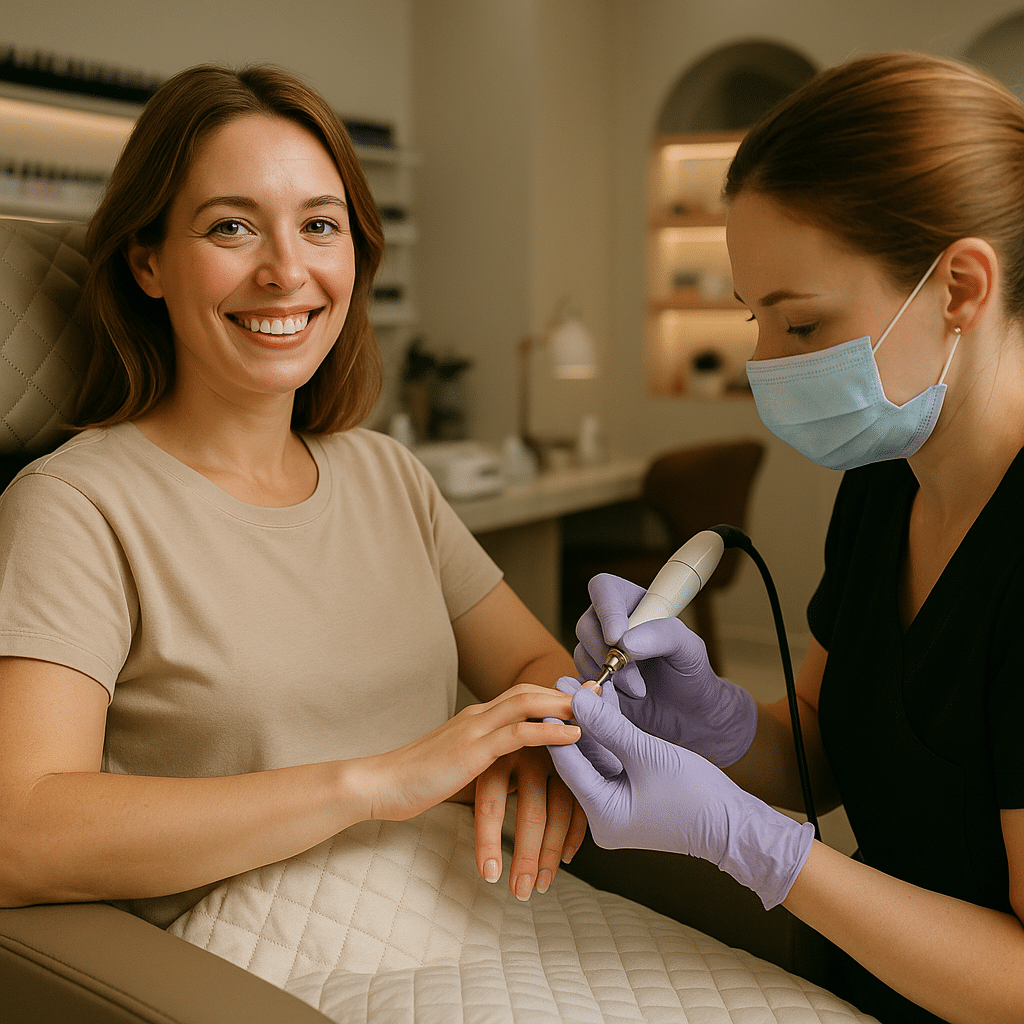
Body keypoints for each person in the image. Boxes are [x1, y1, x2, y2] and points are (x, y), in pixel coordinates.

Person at [0, 63, 585, 929]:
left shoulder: (387, 475)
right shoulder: (76, 506)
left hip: (477, 908)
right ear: (148, 261)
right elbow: (19, 833)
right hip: (265, 953)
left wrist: (534, 752)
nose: (286, 271)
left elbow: (542, 670)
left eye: (319, 225)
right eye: (231, 227)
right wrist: (374, 783)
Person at [549, 52, 1024, 1024]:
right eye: (753, 316)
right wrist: (709, 716)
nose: (763, 362)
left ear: (960, 288)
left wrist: (757, 847)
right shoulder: (883, 488)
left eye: (801, 325)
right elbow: (819, 749)